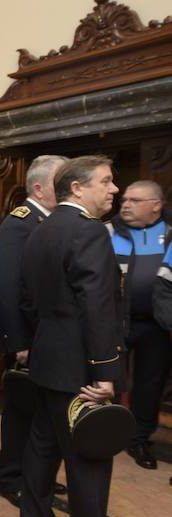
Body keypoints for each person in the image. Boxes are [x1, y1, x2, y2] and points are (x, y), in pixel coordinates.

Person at [20, 155, 159, 517]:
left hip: (47, 360)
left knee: (43, 446)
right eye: (106, 181)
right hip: (80, 366)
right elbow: (98, 308)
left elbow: (27, 300)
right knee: (90, 460)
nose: (114, 189)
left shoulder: (41, 231)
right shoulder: (89, 233)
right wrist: (106, 373)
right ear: (77, 189)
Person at [0, 155, 68, 506]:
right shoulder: (20, 222)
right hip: (26, 338)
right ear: (39, 187)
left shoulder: (52, 221)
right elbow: (8, 287)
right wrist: (19, 340)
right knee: (21, 412)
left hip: (46, 338)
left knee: (42, 414)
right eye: (61, 180)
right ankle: (11, 478)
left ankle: (37, 477)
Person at [107, 180, 171, 469]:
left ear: (156, 205)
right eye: (124, 200)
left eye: (134, 200)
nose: (125, 205)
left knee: (150, 383)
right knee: (107, 377)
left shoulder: (170, 234)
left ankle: (140, 439)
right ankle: (101, 431)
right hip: (116, 322)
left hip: (157, 326)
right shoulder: (106, 231)